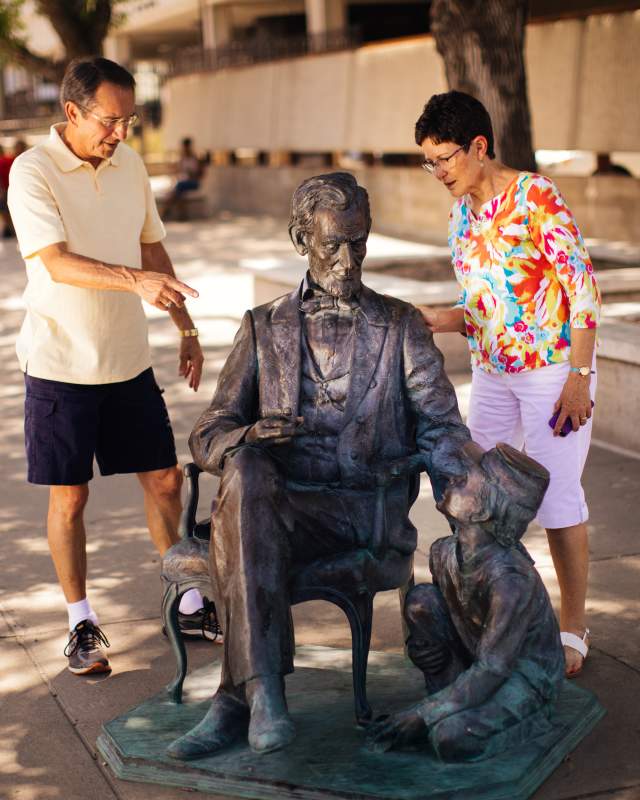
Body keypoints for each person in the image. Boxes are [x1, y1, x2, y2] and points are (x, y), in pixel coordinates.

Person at [167, 171, 472, 760]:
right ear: (300, 239)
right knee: (249, 474)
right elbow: (207, 435)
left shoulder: (401, 325)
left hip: (364, 510)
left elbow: (442, 428)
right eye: (334, 244)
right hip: (279, 506)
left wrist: (473, 505)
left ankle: (237, 699)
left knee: (241, 518)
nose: (349, 259)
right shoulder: (262, 327)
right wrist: (251, 433)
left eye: (359, 242)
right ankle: (262, 695)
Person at [7, 57, 215, 677]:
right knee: (70, 498)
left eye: (130, 119)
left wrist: (185, 325)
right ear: (71, 112)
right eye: (110, 120)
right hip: (60, 362)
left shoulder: (129, 165)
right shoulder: (31, 170)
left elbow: (152, 245)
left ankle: (188, 600)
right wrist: (135, 281)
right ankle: (80, 622)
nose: (121, 132)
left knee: (166, 482)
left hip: (127, 362)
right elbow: (56, 262)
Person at [413, 91, 601, 678]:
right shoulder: (461, 215)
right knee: (478, 495)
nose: (439, 172)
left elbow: (583, 291)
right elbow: (482, 306)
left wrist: (579, 375)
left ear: (479, 146)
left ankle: (573, 627)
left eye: (445, 158)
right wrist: (434, 319)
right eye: (429, 161)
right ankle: (499, 613)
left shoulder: (535, 196)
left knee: (559, 498)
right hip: (493, 375)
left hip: (550, 374)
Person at [367, 442, 565, 760]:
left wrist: (425, 713)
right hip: (481, 659)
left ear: (483, 510)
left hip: (524, 675)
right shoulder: (443, 553)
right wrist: (426, 647)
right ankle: (449, 704)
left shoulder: (510, 581)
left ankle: (535, 721)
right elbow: (451, 615)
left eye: (465, 479)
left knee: (450, 738)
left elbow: (495, 667)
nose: (453, 479)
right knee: (421, 600)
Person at [160, 137, 205, 221]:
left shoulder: (196, 158)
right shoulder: (182, 158)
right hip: (184, 183)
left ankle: (166, 210)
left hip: (193, 183)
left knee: (178, 188)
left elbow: (201, 174)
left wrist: (192, 174)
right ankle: (183, 215)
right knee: (180, 193)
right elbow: (178, 170)